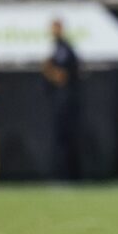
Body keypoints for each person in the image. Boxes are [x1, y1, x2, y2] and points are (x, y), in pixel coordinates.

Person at [43, 19, 81, 180]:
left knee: (67, 138)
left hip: (66, 99)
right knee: (61, 138)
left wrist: (47, 69)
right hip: (61, 99)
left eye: (55, 29)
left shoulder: (64, 48)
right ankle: (63, 174)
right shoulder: (57, 47)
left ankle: (69, 176)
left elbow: (61, 76)